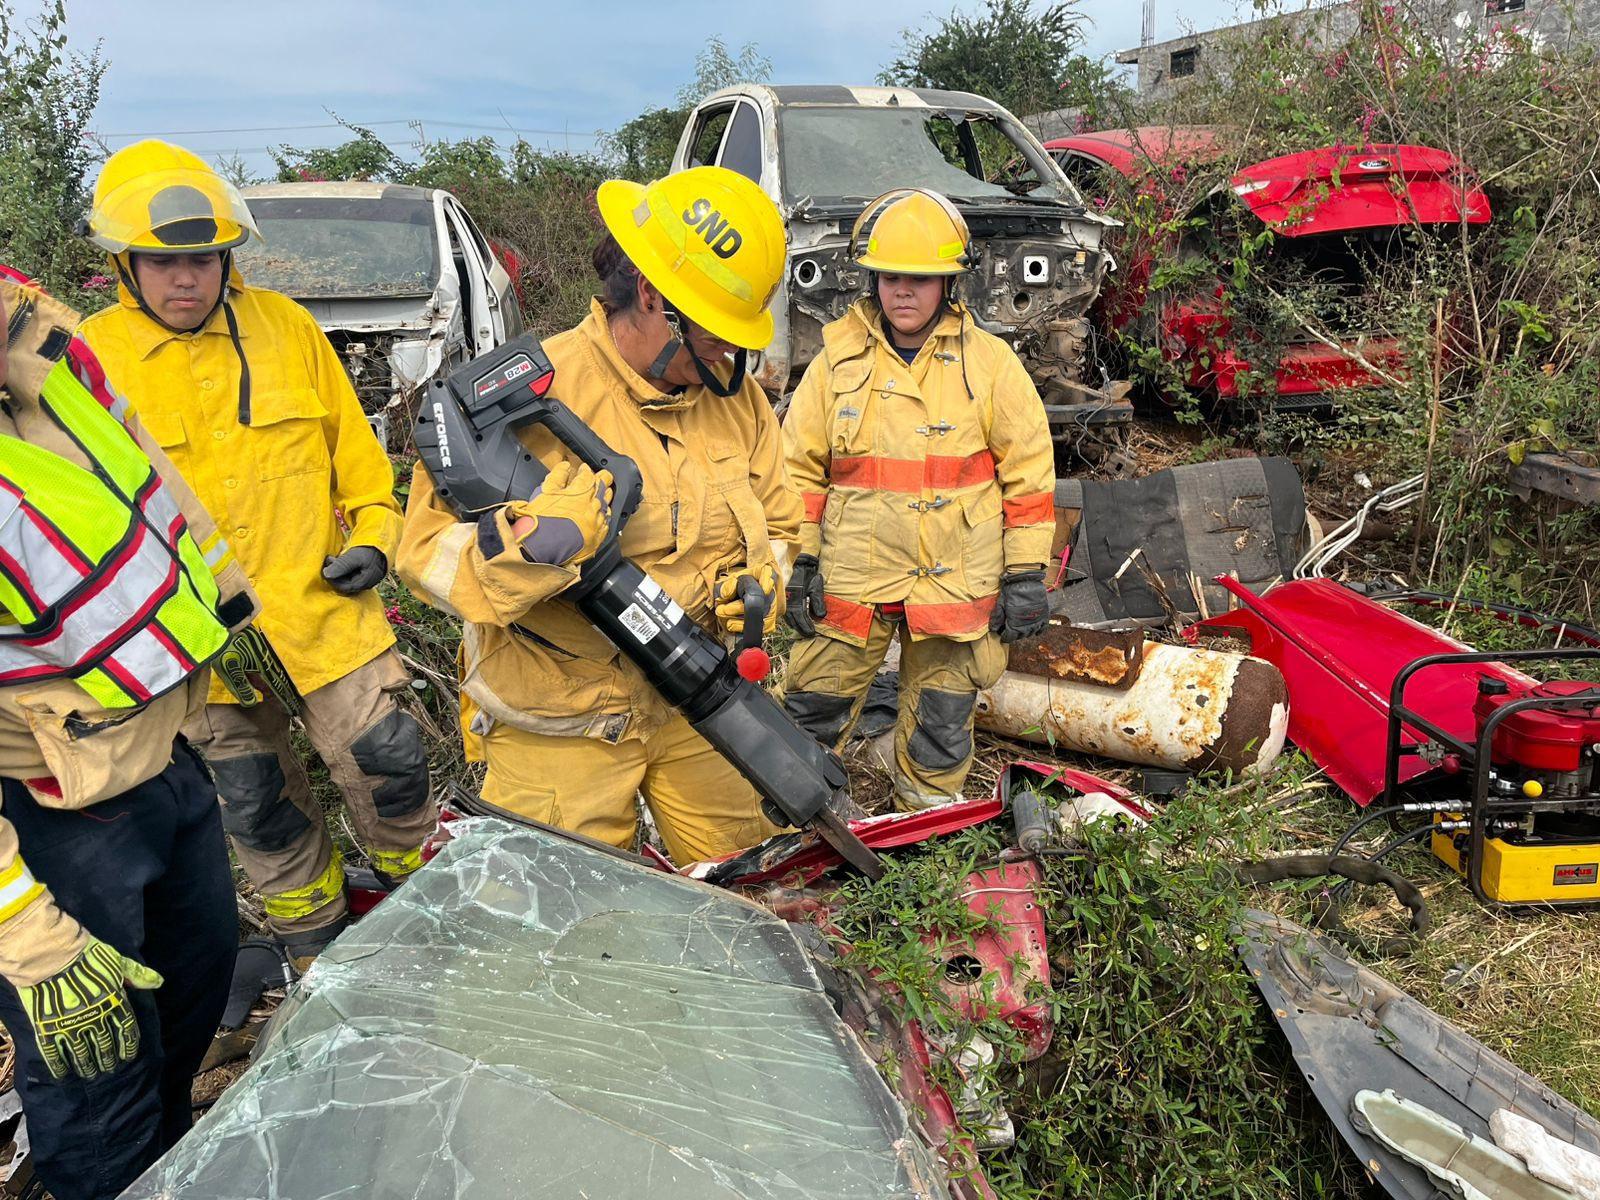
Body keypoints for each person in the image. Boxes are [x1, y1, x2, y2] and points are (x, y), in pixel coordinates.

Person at [77, 140, 434, 968]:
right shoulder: (90, 362)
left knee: (393, 766)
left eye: (202, 259)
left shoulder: (287, 329)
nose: (184, 280)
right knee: (257, 802)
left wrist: (377, 541)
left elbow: (362, 464)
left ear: (226, 257)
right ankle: (316, 959)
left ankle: (422, 926)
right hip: (201, 644)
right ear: (124, 265)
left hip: (324, 611)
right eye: (162, 263)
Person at [398, 165, 800, 865]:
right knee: (567, 927)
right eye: (713, 334)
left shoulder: (737, 402)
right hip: (563, 720)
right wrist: (531, 552)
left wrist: (762, 579)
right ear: (650, 295)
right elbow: (423, 555)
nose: (727, 357)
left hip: (699, 701)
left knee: (755, 888)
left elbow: (784, 521)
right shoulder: (522, 393)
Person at [0, 267, 258, 1199]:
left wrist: (226, 609)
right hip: (48, 807)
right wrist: (23, 928)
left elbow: (150, 481)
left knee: (187, 1004)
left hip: (160, 754)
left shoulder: (43, 345)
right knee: (98, 1082)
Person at [781, 189, 1055, 810]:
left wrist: (1024, 574)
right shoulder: (834, 365)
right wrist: (798, 563)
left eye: (921, 278)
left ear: (948, 284)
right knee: (812, 710)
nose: (904, 291)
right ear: (873, 279)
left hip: (956, 579)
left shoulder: (990, 365)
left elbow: (1029, 475)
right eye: (891, 276)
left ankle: (925, 837)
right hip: (853, 578)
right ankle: (793, 826)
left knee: (941, 722)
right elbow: (796, 471)